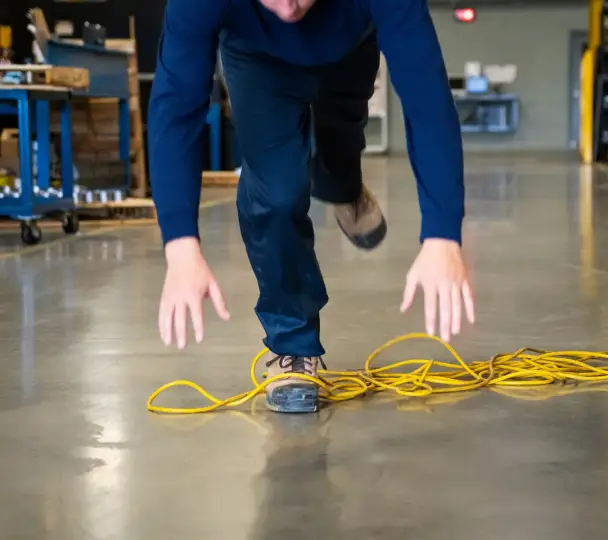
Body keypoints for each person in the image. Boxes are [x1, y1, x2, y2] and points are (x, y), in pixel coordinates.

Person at [149, 0, 475, 414]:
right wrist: (180, 245)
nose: (288, 7)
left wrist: (443, 235)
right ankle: (294, 348)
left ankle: (342, 188)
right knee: (277, 193)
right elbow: (176, 107)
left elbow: (426, 99)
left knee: (338, 159)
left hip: (348, 53)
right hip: (257, 60)